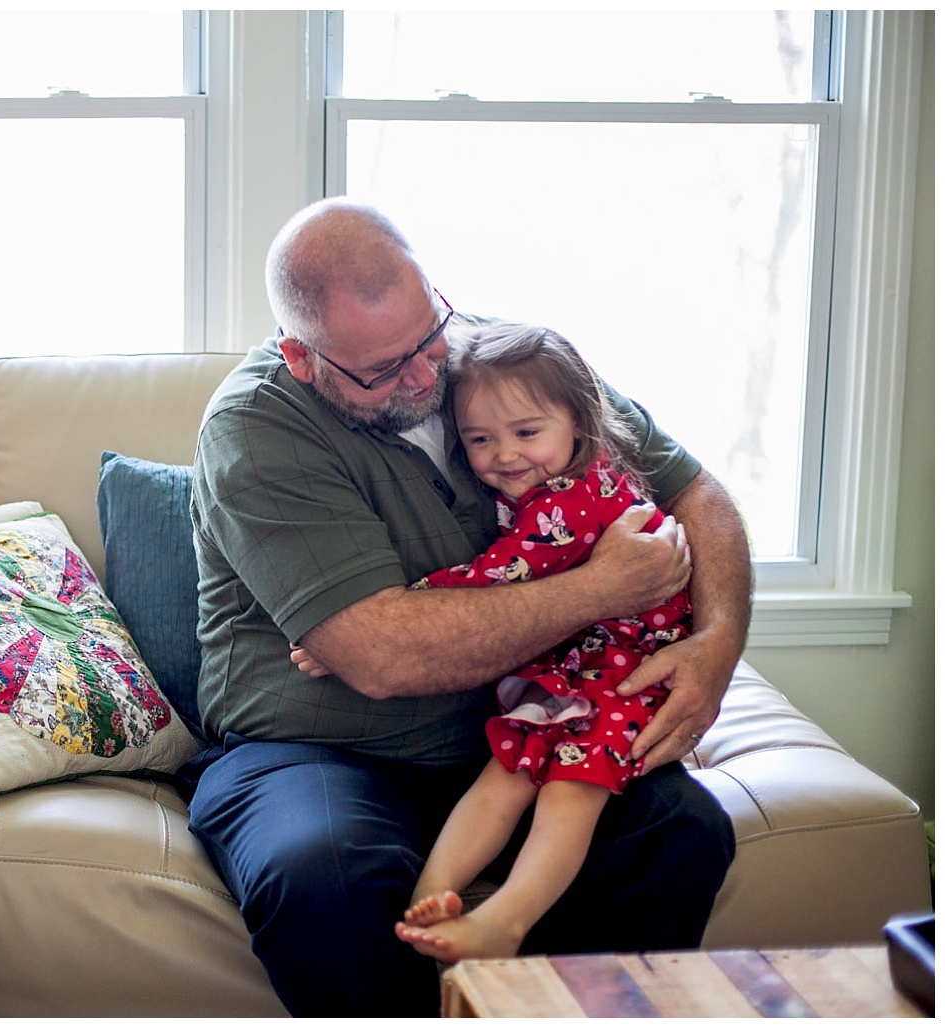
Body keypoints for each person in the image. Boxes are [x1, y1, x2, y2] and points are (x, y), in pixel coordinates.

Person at [184, 198, 751, 1016]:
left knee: (682, 834)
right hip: (316, 749)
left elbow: (695, 491)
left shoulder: (503, 363)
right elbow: (383, 657)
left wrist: (719, 643)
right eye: (382, 371)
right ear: (301, 358)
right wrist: (602, 586)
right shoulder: (257, 429)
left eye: (427, 337)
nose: (423, 376)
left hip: (520, 726)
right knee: (322, 877)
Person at [292, 320, 694, 964]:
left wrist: (349, 625)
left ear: (580, 425)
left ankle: (506, 920)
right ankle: (431, 899)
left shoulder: (580, 497)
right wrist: (347, 636)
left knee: (568, 790)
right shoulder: (537, 486)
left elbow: (498, 575)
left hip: (625, 673)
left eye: (527, 433)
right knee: (506, 775)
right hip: (572, 668)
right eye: (481, 440)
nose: (505, 455)